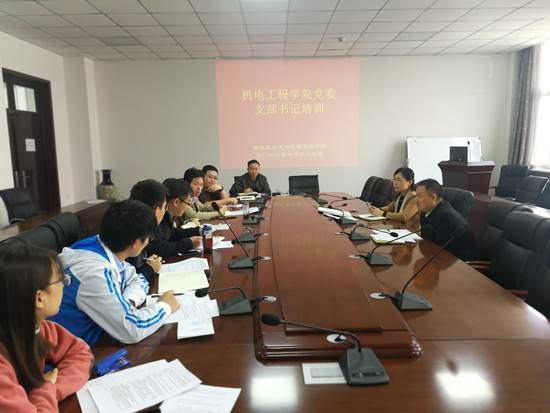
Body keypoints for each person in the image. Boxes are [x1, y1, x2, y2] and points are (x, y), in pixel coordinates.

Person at [49, 200, 180, 347]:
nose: (149, 242)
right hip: (76, 352)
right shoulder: (94, 273)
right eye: (149, 238)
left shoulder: (104, 245)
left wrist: (128, 301)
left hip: (96, 337)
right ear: (136, 243)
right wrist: (165, 306)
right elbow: (132, 329)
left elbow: (136, 279)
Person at [0, 243, 92, 412]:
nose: (64, 285)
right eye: (61, 280)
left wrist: (52, 389)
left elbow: (80, 353)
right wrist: (44, 389)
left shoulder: (38, 328)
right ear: (39, 298)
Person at [415, 179, 475, 260]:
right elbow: (426, 240)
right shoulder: (426, 211)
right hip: (437, 256)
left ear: (433, 197)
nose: (416, 200)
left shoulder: (447, 218)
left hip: (459, 262)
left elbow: (440, 251)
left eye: (419, 196)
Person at [147, 178, 202, 257]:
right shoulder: (157, 218)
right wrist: (189, 243)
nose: (187, 207)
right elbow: (160, 249)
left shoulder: (168, 216)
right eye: (188, 203)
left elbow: (172, 234)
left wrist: (197, 230)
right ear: (176, 202)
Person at [127, 179, 167, 282]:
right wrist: (149, 269)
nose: (165, 211)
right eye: (164, 207)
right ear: (156, 210)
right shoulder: (133, 233)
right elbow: (127, 283)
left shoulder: (133, 222)